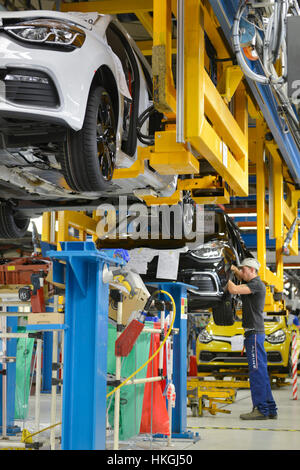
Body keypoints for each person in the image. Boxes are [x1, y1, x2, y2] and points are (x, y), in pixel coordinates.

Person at [227, 257, 278, 420]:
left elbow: (234, 289)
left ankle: (260, 409)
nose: (241, 272)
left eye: (243, 270)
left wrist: (222, 275)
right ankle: (270, 408)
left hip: (254, 334)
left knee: (256, 372)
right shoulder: (254, 283)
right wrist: (234, 270)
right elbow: (241, 278)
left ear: (252, 270)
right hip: (255, 333)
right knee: (261, 371)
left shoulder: (256, 284)